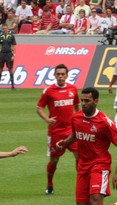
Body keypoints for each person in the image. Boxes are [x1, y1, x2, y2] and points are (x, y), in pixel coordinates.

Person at [36, 64, 80, 195]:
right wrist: (47, 120)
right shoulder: (49, 91)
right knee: (54, 160)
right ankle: (50, 184)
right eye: (58, 74)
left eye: (63, 74)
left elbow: (77, 106)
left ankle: (82, 184)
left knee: (80, 157)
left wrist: (79, 120)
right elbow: (39, 108)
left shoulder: (73, 89)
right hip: (56, 132)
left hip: (71, 131)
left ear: (67, 75)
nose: (60, 76)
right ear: (55, 75)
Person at [0, 23, 16, 90]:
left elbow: (14, 46)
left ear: (7, 28)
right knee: (0, 69)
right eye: (3, 29)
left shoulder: (11, 36)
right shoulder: (0, 36)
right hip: (2, 54)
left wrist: (14, 55)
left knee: (10, 69)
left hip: (9, 54)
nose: (4, 30)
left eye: (5, 28)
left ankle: (12, 85)